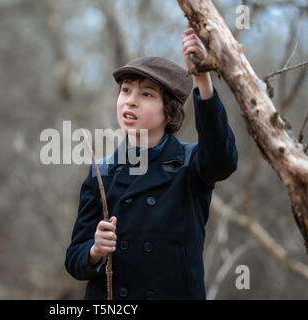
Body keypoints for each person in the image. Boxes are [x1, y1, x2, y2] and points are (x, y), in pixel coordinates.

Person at [65, 27, 238, 300]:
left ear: (169, 112)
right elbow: (74, 259)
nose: (130, 102)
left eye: (146, 94)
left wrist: (202, 78)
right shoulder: (103, 171)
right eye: (125, 91)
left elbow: (222, 160)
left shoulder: (191, 164)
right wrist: (94, 250)